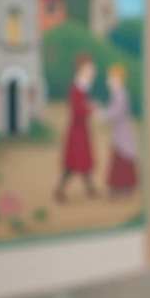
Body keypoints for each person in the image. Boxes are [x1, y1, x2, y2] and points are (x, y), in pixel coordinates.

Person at [54, 53, 96, 202]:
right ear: (81, 68)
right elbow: (77, 110)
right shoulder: (77, 87)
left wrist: (89, 108)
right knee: (74, 162)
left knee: (82, 160)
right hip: (77, 129)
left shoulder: (83, 86)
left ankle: (90, 188)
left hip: (81, 128)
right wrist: (90, 110)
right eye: (89, 68)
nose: (92, 71)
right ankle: (60, 190)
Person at [102, 63, 139, 194]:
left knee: (123, 157)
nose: (109, 81)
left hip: (123, 131)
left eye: (112, 78)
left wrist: (102, 115)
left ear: (119, 79)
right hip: (118, 132)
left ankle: (125, 185)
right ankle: (118, 186)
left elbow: (116, 112)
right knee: (118, 157)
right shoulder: (116, 94)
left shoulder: (121, 94)